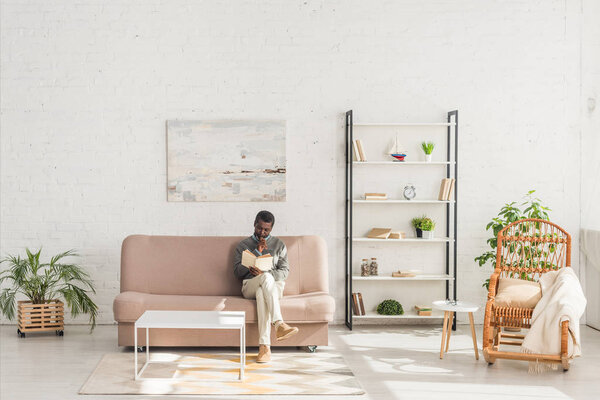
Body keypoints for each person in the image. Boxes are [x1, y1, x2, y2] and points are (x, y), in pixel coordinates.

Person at [233, 210, 299, 363]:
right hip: (250, 285)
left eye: (266, 230)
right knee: (263, 281)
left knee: (262, 291)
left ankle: (264, 347)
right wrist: (256, 252)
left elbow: (284, 271)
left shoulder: (279, 245)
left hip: (272, 288)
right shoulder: (243, 245)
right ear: (254, 224)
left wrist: (264, 272)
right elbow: (237, 272)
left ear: (271, 229)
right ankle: (279, 324)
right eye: (259, 228)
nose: (262, 232)